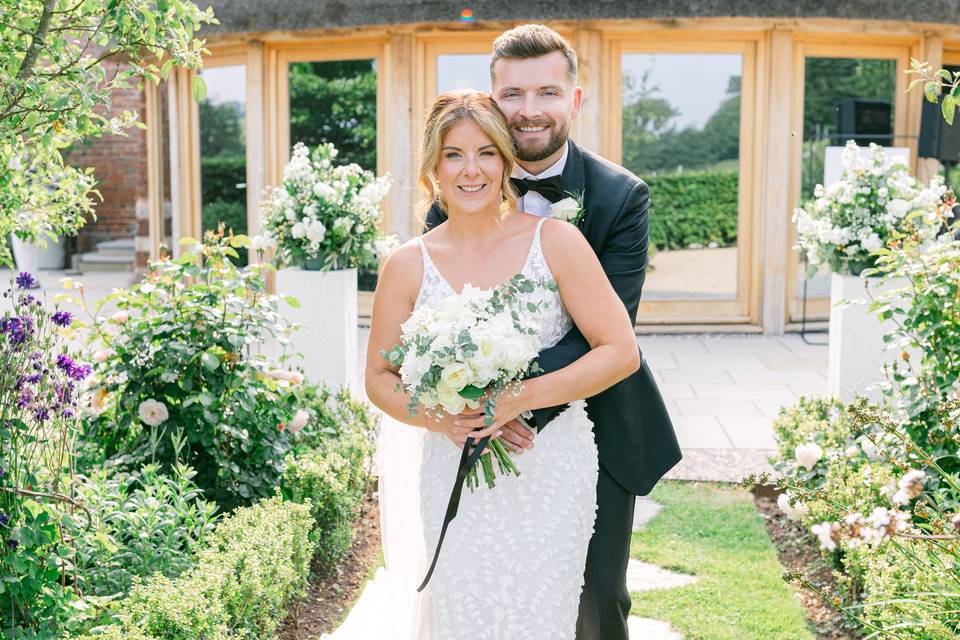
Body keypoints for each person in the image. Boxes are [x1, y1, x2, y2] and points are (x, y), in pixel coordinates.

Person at [329, 87, 640, 638]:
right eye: (454, 154)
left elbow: (620, 352)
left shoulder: (558, 242)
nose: (470, 170)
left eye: (486, 153)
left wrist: (517, 398)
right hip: (453, 466)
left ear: (506, 161)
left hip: (550, 467)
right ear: (434, 166)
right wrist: (442, 419)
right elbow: (379, 379)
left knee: (543, 618)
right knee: (464, 612)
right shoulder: (406, 264)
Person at [424, 25, 682, 639]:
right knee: (499, 591)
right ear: (492, 99)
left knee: (596, 598)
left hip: (598, 421)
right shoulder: (462, 185)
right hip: (487, 429)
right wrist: (472, 399)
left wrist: (514, 400)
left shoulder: (621, 197)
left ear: (575, 99)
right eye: (512, 93)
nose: (529, 110)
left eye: (547, 91)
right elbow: (446, 313)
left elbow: (609, 330)